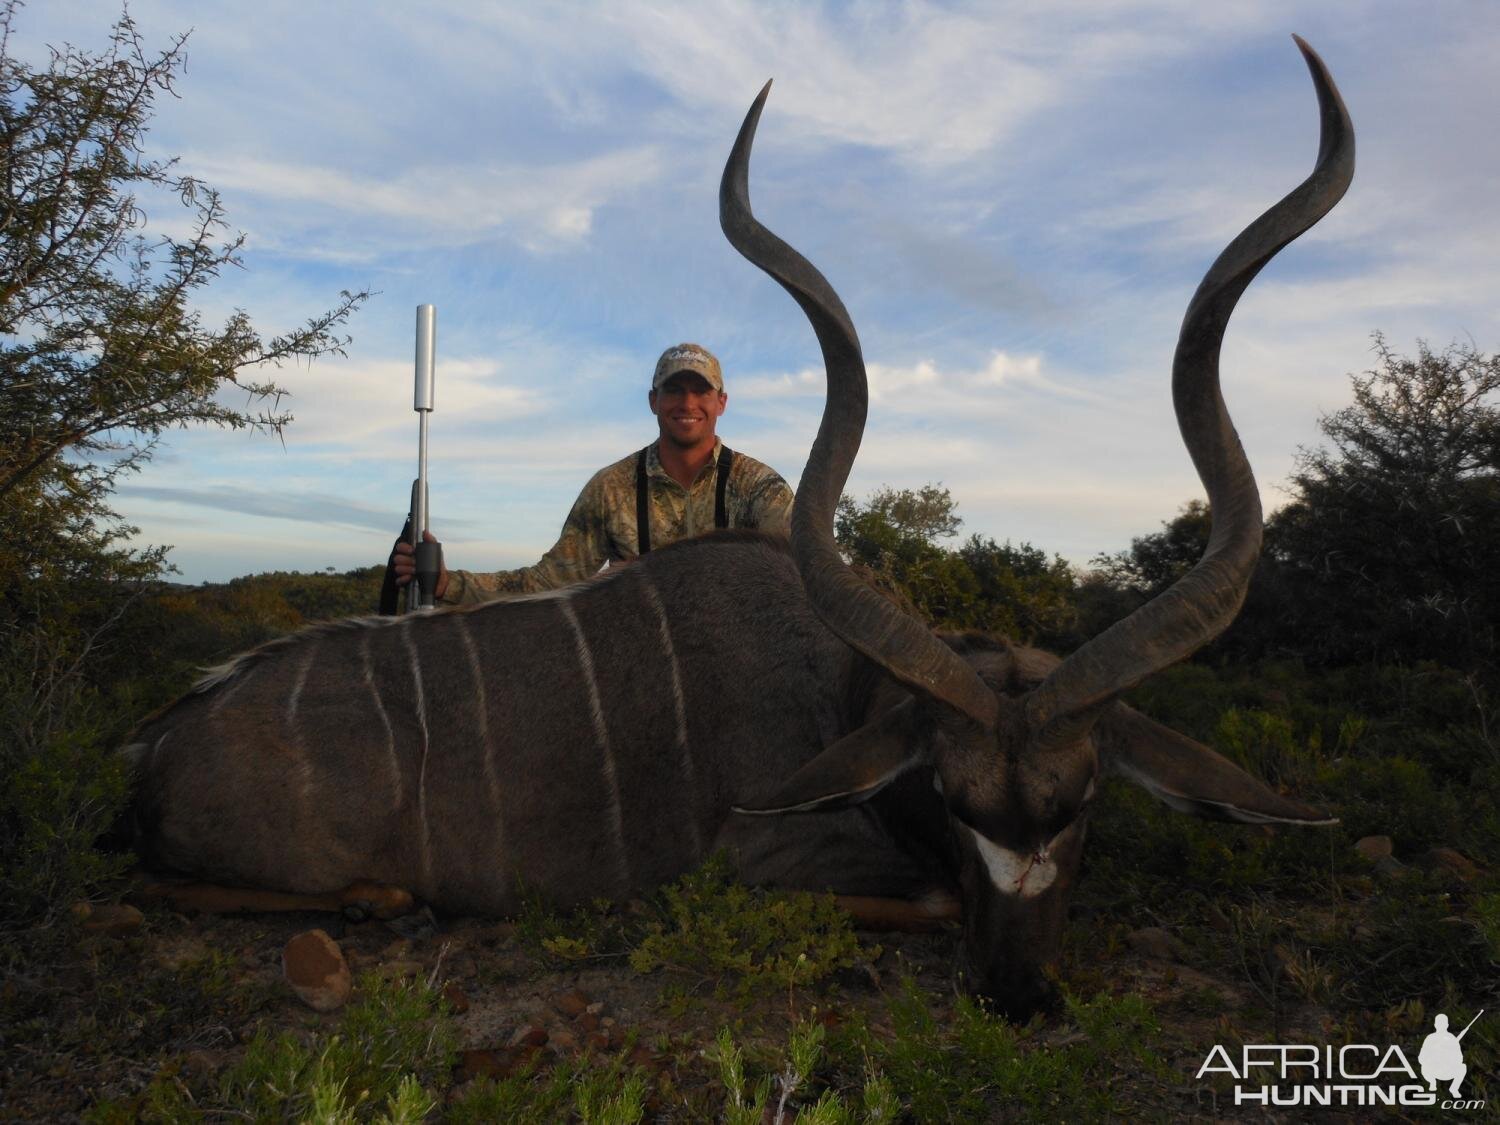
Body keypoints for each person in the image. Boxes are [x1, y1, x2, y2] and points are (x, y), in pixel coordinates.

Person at [390, 342, 793, 604]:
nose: (687, 402)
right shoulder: (612, 488)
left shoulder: (758, 487)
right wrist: (447, 584)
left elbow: (801, 574)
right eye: (674, 390)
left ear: (720, 402)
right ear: (654, 401)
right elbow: (550, 581)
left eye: (701, 391)